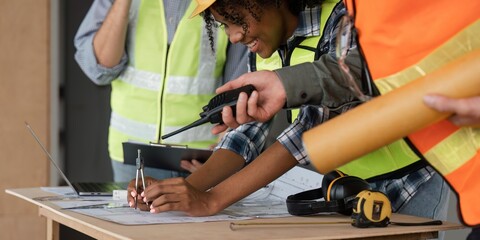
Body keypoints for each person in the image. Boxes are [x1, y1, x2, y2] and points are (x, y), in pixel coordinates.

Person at [127, 0, 449, 228]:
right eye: (225, 26)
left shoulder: (342, 17)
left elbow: (309, 131)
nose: (235, 36)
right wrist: (181, 192)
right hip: (347, 186)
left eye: (237, 18)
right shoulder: (266, 45)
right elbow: (247, 133)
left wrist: (211, 201)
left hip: (410, 177)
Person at [74, 0, 248, 182]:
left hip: (200, 158)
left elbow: (240, 88)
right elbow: (99, 69)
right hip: (131, 157)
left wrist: (222, 157)